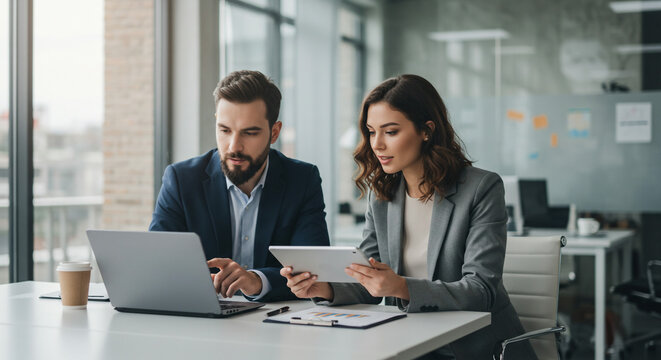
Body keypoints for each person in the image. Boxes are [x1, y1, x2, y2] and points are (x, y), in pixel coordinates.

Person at [281, 74, 536, 358]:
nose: (376, 144)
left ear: (426, 130)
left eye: (390, 132)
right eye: (371, 131)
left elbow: (480, 291)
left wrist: (402, 287)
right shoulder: (382, 196)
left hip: (475, 347)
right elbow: (368, 281)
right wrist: (325, 288)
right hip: (411, 343)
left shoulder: (481, 189)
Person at [150, 70, 330, 302]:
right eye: (225, 130)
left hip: (277, 325)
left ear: (274, 132)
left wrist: (257, 281)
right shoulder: (181, 180)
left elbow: (311, 275)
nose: (234, 146)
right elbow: (158, 266)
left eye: (250, 132)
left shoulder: (302, 180)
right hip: (201, 321)